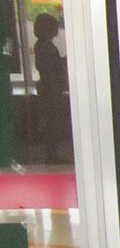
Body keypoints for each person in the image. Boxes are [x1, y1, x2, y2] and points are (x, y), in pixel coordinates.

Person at [32, 12, 70, 162]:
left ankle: (53, 153)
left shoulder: (43, 46)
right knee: (52, 122)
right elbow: (48, 66)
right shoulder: (44, 46)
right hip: (50, 88)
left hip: (50, 87)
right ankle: (52, 154)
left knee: (52, 122)